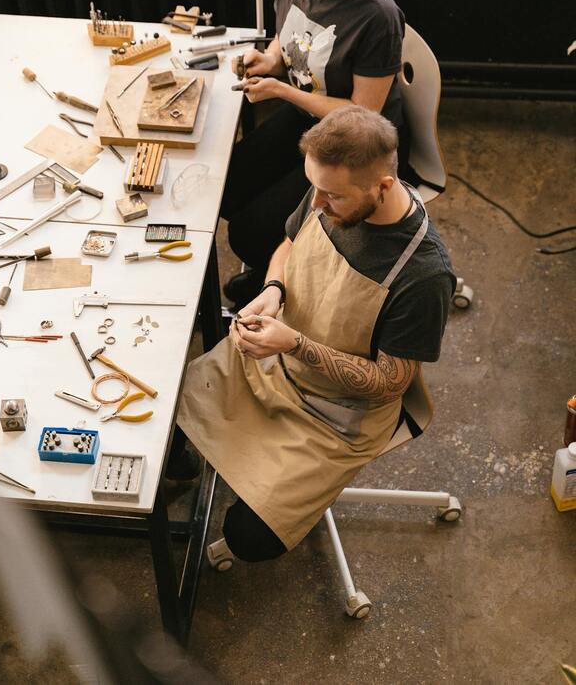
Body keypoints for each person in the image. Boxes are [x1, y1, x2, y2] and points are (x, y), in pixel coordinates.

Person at [172, 106, 455, 563]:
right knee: (164, 416)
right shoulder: (330, 192)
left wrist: (295, 344)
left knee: (249, 538)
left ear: (384, 187)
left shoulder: (422, 275)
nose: (317, 203)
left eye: (333, 197)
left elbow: (390, 383)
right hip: (275, 362)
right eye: (315, 189)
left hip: (335, 416)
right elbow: (289, 242)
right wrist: (273, 289)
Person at [221, 0, 408, 309]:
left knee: (249, 230)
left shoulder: (376, 16)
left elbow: (364, 114)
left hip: (359, 141)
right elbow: (285, 42)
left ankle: (275, 279)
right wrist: (268, 60)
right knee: (228, 187)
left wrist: (282, 90)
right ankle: (267, 265)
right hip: (310, 112)